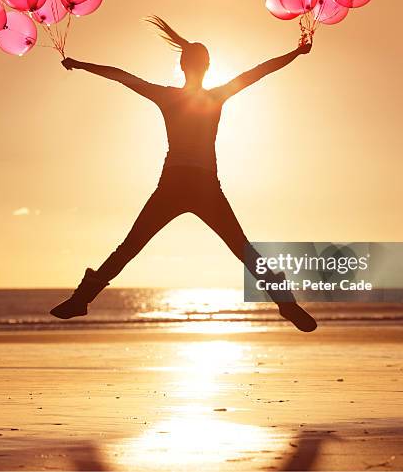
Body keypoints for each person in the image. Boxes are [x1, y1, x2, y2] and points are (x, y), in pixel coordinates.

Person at [50, 17, 317, 332]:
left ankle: (83, 298)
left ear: (182, 64)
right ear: (206, 66)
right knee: (243, 249)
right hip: (198, 186)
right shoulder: (214, 95)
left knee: (130, 248)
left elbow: (122, 76)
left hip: (177, 185)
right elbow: (259, 72)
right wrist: (295, 53)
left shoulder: (169, 96)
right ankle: (285, 302)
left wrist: (82, 64)